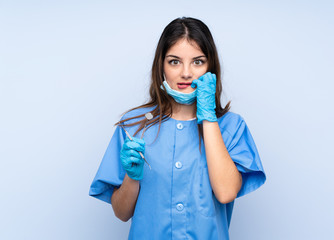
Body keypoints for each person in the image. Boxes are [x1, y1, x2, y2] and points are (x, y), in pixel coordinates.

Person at [89, 17, 266, 240]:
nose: (186, 73)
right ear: (161, 66)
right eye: (174, 62)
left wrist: (208, 116)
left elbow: (226, 192)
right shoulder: (133, 126)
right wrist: (132, 178)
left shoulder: (232, 127)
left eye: (198, 62)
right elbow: (122, 213)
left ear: (211, 67)